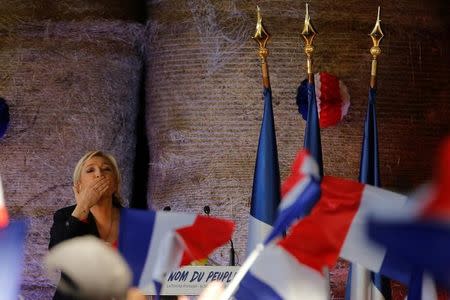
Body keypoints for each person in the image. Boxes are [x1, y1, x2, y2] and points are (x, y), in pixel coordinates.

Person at [49, 150, 123, 300]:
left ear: (115, 183)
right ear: (79, 185)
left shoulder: (134, 218)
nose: (99, 174)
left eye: (106, 169)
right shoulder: (64, 216)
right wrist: (83, 206)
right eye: (90, 170)